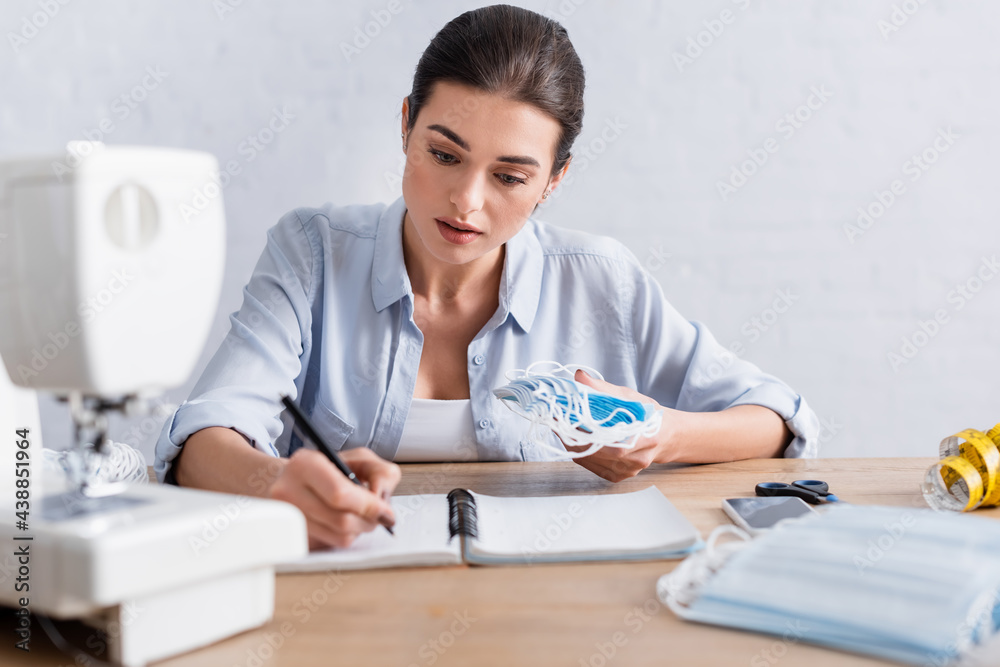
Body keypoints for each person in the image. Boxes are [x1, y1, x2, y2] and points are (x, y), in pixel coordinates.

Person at [155, 5, 819, 550]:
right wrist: (277, 481)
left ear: (553, 181)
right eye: (444, 154)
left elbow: (779, 417)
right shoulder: (312, 253)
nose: (466, 201)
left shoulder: (601, 281)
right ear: (407, 125)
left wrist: (661, 433)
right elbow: (203, 438)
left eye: (509, 176)